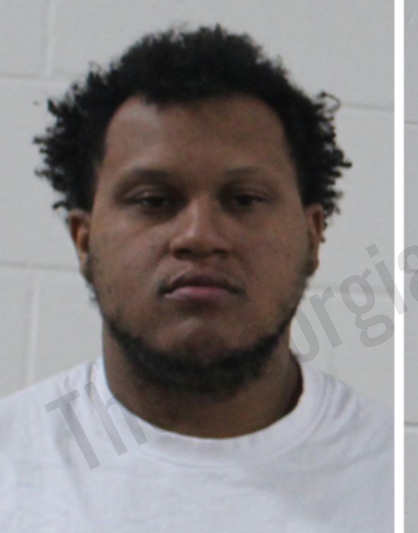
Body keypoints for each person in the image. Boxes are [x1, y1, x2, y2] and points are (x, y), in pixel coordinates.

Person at [0, 26, 392, 532]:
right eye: (153, 200)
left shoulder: (389, 476)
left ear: (312, 236)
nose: (199, 236)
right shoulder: (12, 465)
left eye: (244, 199)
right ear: (84, 239)